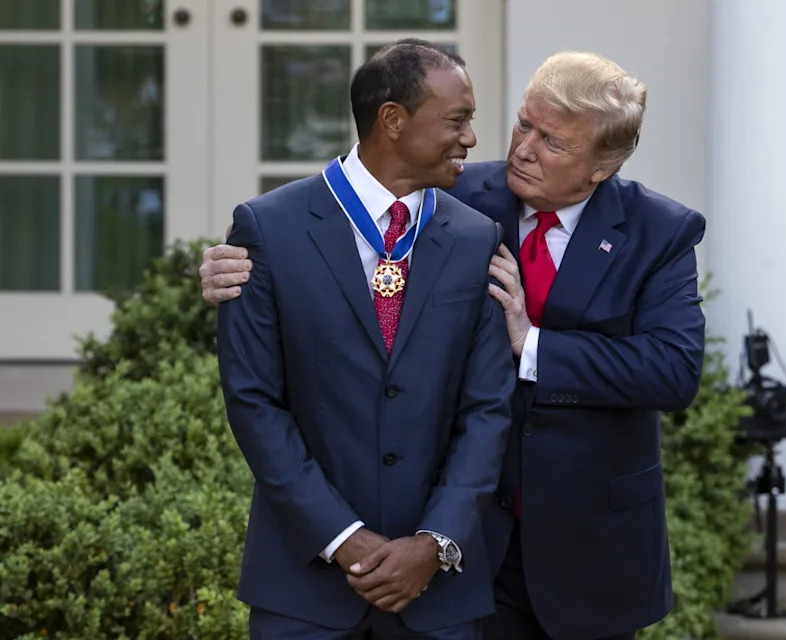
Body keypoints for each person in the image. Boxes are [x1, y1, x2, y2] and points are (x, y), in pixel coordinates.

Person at [204, 51, 706, 640]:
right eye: (525, 124)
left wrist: (532, 343)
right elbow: (338, 214)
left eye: (553, 142)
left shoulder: (661, 231)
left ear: (604, 165)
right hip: (465, 543)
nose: (522, 148)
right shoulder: (463, 192)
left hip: (583, 542)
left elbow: (673, 370)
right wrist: (233, 266)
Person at [216, 39, 515, 640]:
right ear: (393, 120)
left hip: (440, 593)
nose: (472, 139)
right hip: (304, 591)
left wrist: (435, 543)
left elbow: (487, 411)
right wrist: (341, 537)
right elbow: (253, 401)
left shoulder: (477, 237)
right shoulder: (267, 229)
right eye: (457, 120)